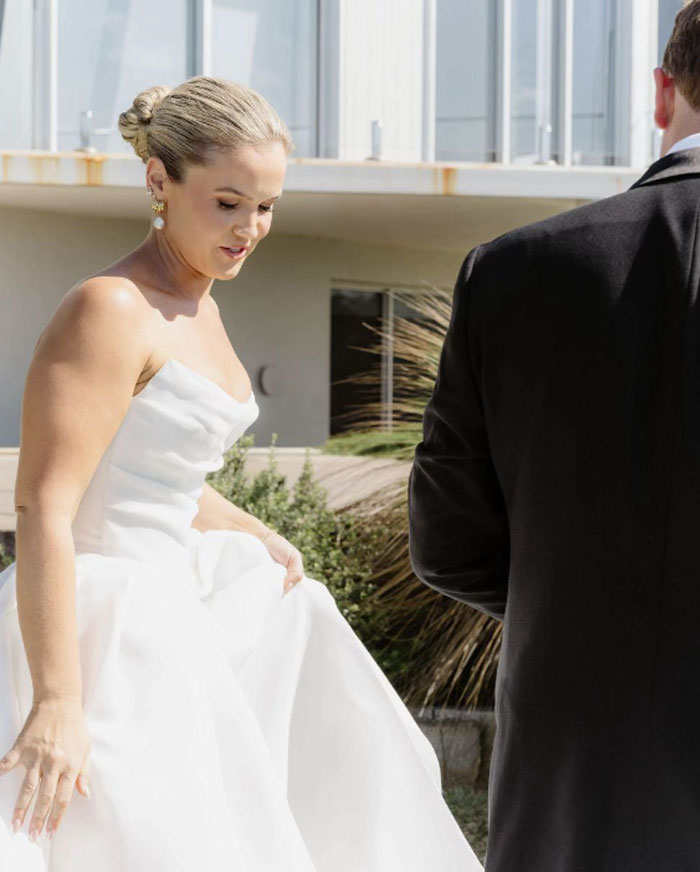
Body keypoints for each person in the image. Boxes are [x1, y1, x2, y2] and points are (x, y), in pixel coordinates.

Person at [0, 76, 482, 871]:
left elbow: (157, 474)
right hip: (103, 628)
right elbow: (46, 505)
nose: (250, 228)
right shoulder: (109, 308)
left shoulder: (206, 309)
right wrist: (59, 700)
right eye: (227, 203)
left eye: (265, 207)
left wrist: (254, 529)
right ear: (159, 180)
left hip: (183, 613)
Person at [407, 4, 700, 871]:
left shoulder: (513, 270)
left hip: (577, 772)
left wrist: (584, 608)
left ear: (662, 92)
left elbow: (448, 542)